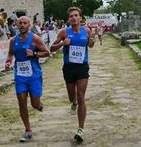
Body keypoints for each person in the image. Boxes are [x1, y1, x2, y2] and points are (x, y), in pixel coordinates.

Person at [50, 7, 95, 143]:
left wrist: (92, 39)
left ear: (80, 18)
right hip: (69, 68)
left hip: (82, 67)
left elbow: (91, 45)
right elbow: (52, 48)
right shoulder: (64, 32)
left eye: (76, 15)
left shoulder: (86, 30)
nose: (74, 18)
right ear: (69, 19)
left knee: (81, 96)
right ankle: (73, 102)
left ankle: (80, 129)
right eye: (71, 16)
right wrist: (63, 43)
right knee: (72, 97)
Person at [5, 16, 50, 142]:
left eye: (25, 23)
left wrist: (35, 54)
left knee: (34, 104)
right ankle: (28, 129)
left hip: (34, 75)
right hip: (20, 76)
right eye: (20, 23)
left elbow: (47, 52)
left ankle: (38, 105)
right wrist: (8, 61)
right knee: (21, 100)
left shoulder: (35, 38)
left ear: (29, 25)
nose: (22, 25)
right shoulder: (13, 40)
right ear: (17, 25)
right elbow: (10, 53)